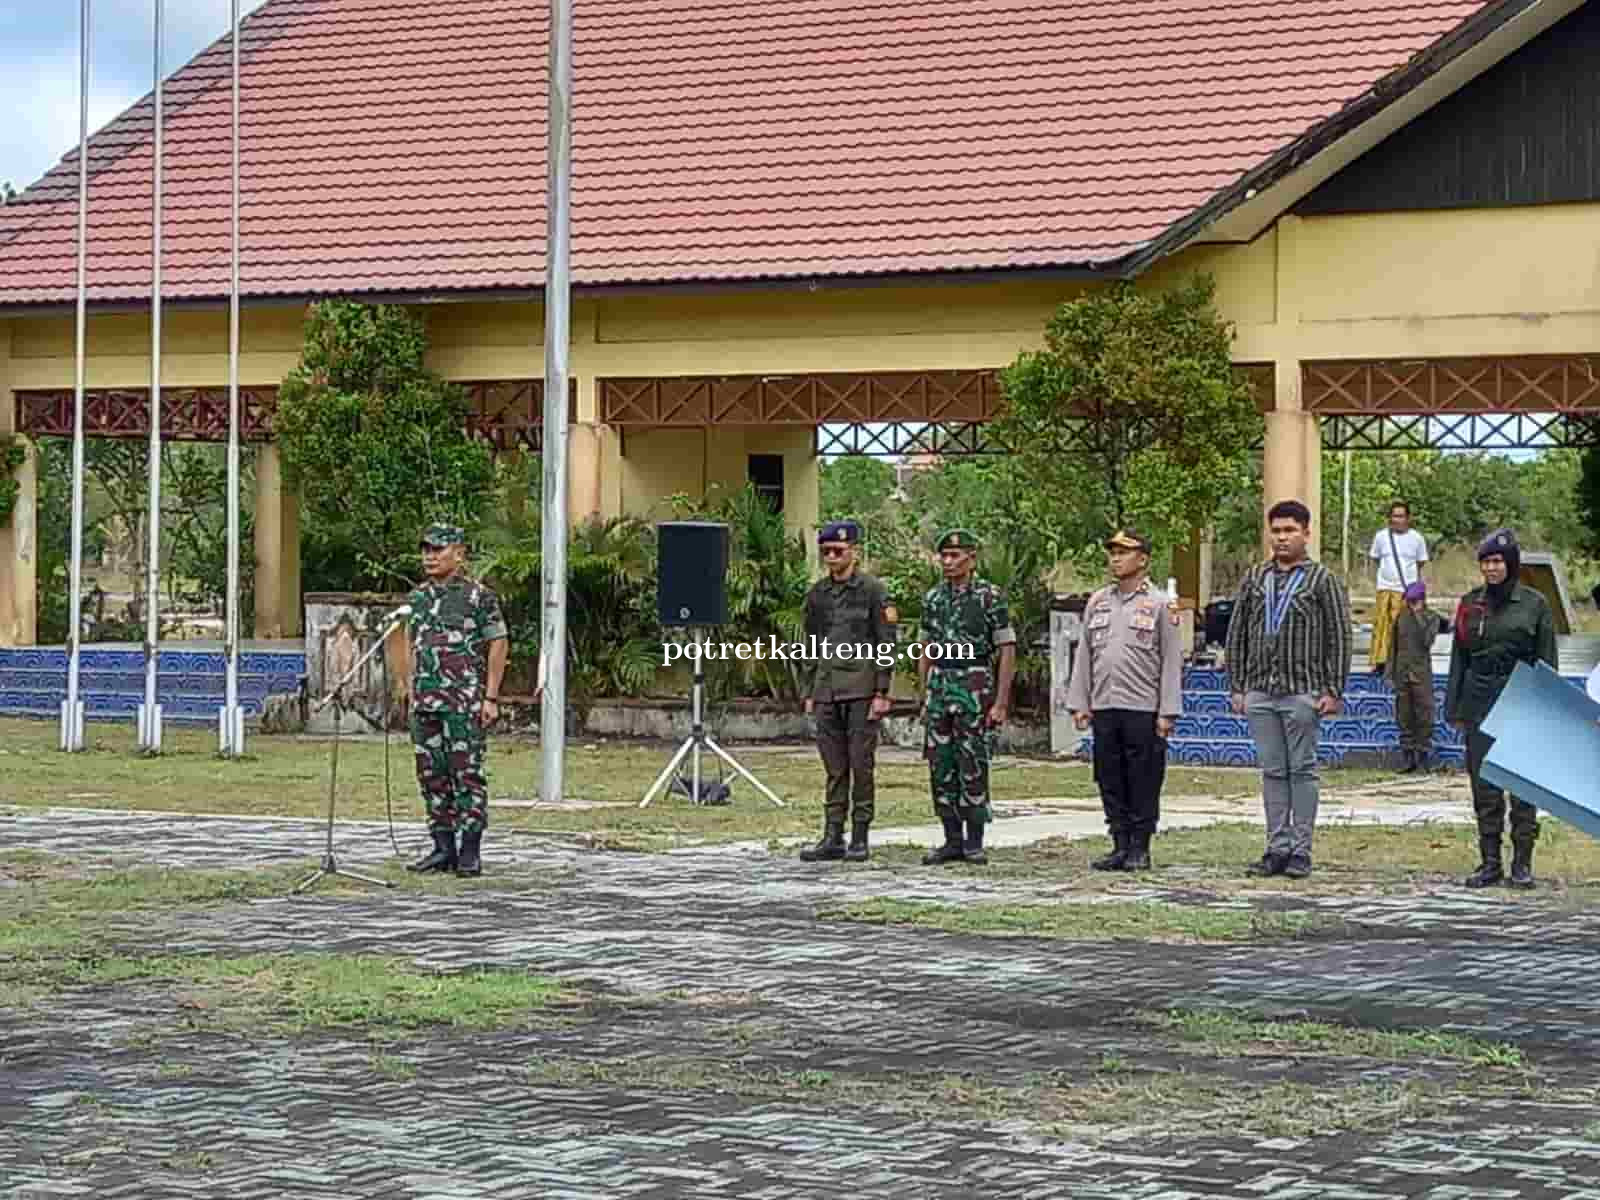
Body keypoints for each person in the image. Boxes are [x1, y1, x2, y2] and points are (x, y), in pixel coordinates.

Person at [1225, 499, 1352, 879]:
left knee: (1303, 770)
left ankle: (1301, 849)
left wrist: (1333, 689)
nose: (1282, 538)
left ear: (1306, 533)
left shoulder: (1321, 580)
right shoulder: (1255, 578)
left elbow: (1339, 636)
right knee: (1272, 771)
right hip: (1260, 690)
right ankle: (1276, 847)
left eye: (1290, 531)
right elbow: (1237, 633)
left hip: (1303, 691)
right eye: (1276, 531)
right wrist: (1237, 686)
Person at [1446, 528, 1556, 890]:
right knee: (1485, 787)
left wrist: (1545, 708)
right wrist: (1454, 707)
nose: (1491, 568)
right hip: (1479, 700)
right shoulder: (1470, 603)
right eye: (1486, 562)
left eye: (1497, 562)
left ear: (1511, 564)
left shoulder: (1534, 605)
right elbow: (1459, 659)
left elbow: (1546, 661)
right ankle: (1489, 862)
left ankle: (1522, 863)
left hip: (1521, 699)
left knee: (1522, 786)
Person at [1066, 529, 1183, 871]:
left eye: (1124, 552)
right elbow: (1085, 655)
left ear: (1143, 559)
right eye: (1113, 552)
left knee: (1143, 778)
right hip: (1105, 704)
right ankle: (1119, 843)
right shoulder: (1098, 601)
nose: (1116, 558)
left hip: (1143, 707)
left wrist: (1168, 711)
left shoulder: (1160, 604)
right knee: (1109, 777)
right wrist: (1080, 702)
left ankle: (1140, 846)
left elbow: (1171, 660)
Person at [404, 522, 509, 878]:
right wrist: (408, 688)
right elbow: (410, 644)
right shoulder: (417, 598)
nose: (429, 557)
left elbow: (498, 642)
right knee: (431, 774)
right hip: (425, 700)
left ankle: (470, 851)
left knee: (467, 773)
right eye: (426, 550)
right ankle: (442, 847)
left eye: (438, 549)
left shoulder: (479, 596)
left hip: (463, 700)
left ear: (459, 554)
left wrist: (491, 696)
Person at [799, 520, 896, 863]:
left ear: (854, 551)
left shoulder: (873, 591)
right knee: (834, 767)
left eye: (838, 551)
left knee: (861, 765)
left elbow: (886, 642)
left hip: (861, 690)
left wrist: (882, 691)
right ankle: (832, 835)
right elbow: (810, 643)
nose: (831, 557)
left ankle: (860, 835)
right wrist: (808, 690)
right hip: (826, 690)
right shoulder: (818, 594)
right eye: (826, 551)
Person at [918, 529, 1016, 867]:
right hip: (940, 686)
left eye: (955, 556)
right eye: (944, 556)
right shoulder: (933, 598)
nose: (948, 562)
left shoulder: (990, 597)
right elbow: (925, 647)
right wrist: (924, 693)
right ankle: (951, 839)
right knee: (940, 765)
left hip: (975, 685)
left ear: (971, 559)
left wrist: (1000, 702)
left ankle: (974, 841)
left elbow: (1006, 649)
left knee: (972, 763)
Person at [1368, 501, 1429, 676]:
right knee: (1381, 626)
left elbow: (1421, 562)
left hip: (1405, 592)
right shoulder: (1381, 537)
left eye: (1401, 516)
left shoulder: (1417, 538)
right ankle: (1379, 662)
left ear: (1408, 518)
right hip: (1384, 588)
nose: (1397, 520)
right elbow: (1376, 559)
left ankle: (1400, 663)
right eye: (1394, 516)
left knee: (1403, 628)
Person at [1387, 579, 1441, 774]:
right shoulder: (1401, 618)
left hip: (1421, 675)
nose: (1411, 604)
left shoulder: (1432, 618)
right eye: (1409, 601)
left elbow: (1427, 641)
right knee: (1404, 717)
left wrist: (1418, 615)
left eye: (1414, 600)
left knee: (1425, 716)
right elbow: (1393, 647)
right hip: (1402, 673)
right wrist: (1390, 672)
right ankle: (1408, 758)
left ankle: (1423, 758)